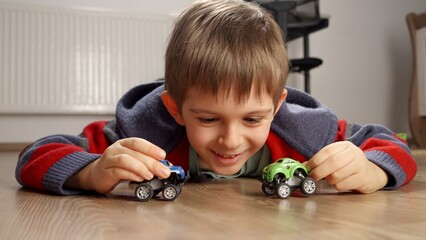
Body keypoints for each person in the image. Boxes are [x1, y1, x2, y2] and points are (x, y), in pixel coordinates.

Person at [16, 0, 416, 196]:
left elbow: (394, 146)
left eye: (253, 120)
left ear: (276, 107)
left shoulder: (302, 131)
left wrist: (373, 170)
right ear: (175, 107)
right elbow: (36, 155)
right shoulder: (146, 129)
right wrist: (90, 172)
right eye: (207, 120)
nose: (230, 140)